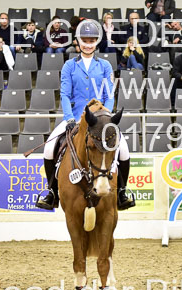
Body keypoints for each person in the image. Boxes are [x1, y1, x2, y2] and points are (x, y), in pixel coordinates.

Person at [35, 19, 135, 212]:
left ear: (96, 42)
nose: (88, 44)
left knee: (123, 149)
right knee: (48, 149)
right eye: (85, 40)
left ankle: (122, 192)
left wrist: (105, 116)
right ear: (78, 42)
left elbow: (109, 95)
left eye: (91, 41)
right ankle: (52, 192)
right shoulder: (69, 66)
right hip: (75, 117)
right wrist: (69, 118)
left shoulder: (105, 65)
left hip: (101, 119)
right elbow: (65, 95)